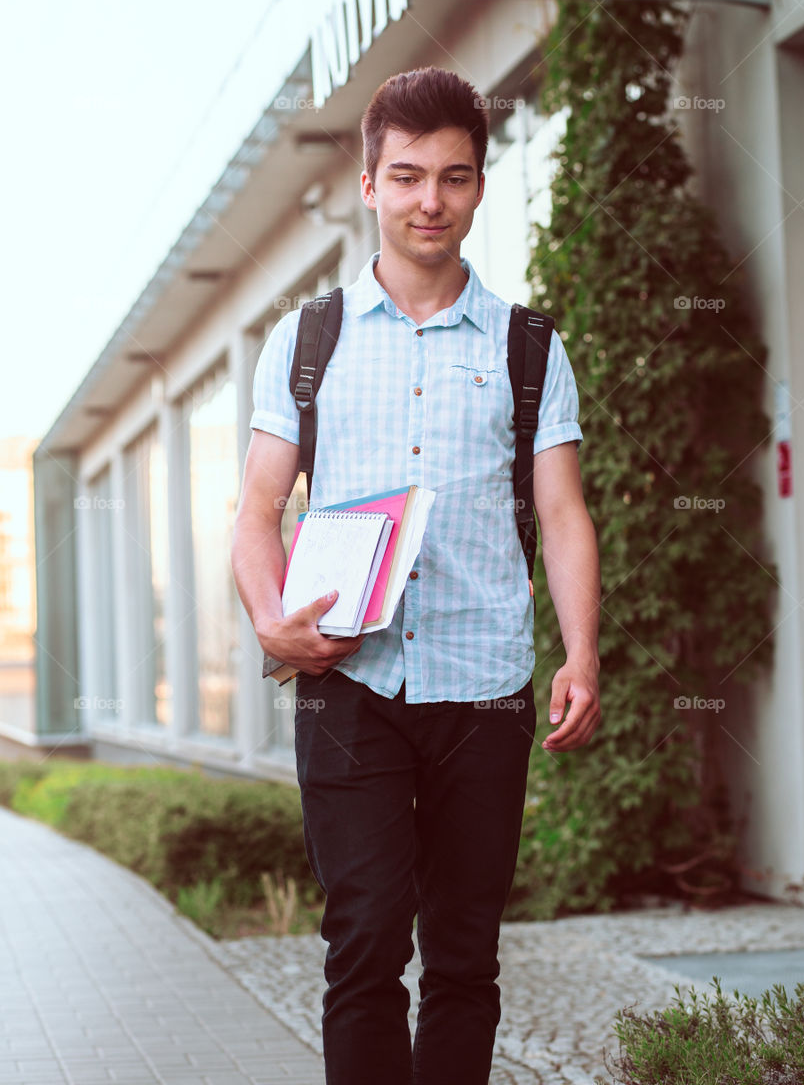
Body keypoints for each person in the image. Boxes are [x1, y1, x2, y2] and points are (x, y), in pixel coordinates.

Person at [231, 66, 601, 1085]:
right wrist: (272, 620)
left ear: (480, 185)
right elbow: (258, 508)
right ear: (367, 185)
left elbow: (563, 512)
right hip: (348, 682)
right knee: (362, 944)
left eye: (452, 176)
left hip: (485, 684)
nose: (428, 199)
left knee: (465, 956)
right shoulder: (309, 342)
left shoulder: (530, 346)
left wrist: (580, 651)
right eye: (405, 177)